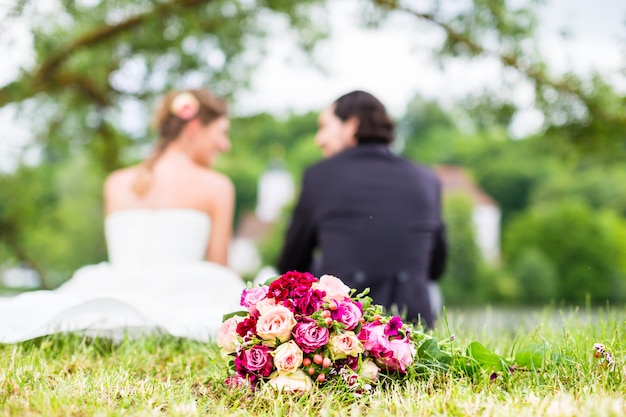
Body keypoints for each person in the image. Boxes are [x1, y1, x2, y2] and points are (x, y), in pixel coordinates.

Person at [0, 89, 246, 343]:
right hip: (187, 297)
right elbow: (218, 268)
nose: (225, 145)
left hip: (110, 293)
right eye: (222, 133)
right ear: (195, 128)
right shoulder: (217, 186)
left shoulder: (115, 183)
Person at [277, 90, 446, 328]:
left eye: (324, 127)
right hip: (413, 332)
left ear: (352, 125)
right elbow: (436, 268)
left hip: (346, 331)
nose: (319, 139)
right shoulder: (428, 179)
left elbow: (291, 264)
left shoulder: (320, 176)